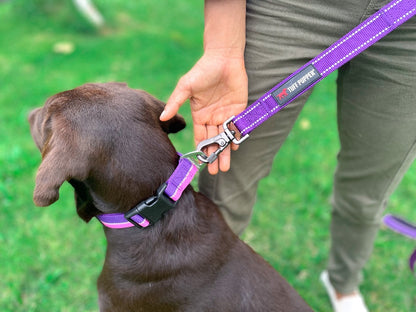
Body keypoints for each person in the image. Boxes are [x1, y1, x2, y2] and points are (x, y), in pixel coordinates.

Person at [160, 0, 416, 311]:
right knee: (229, 178)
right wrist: (222, 48)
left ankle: (343, 282)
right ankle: (200, 290)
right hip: (291, 8)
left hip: (408, 26)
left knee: (370, 189)